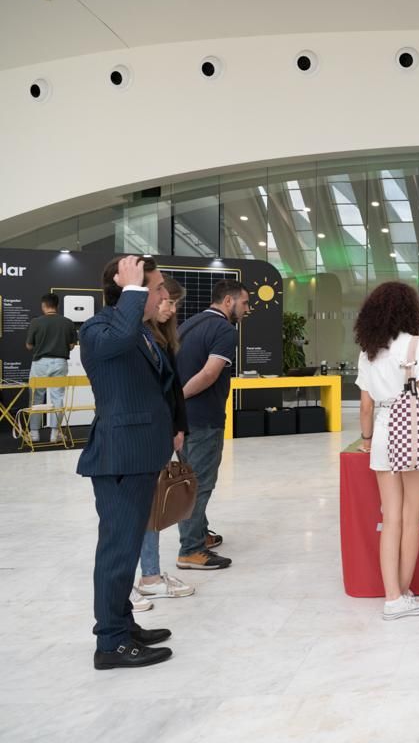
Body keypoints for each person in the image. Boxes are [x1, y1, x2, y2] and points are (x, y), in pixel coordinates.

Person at [77, 255, 175, 669]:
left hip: (140, 454)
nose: (161, 297)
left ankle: (123, 624)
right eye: (154, 289)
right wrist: (133, 289)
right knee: (117, 552)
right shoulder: (99, 329)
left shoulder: (142, 333)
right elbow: (116, 342)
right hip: (120, 456)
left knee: (127, 546)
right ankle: (110, 642)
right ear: (129, 288)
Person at [354, 281, 419, 619]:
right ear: (409, 310)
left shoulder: (368, 351)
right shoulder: (417, 346)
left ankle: (392, 597)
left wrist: (367, 440)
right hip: (413, 434)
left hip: (383, 434)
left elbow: (365, 406)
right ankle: (403, 594)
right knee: (412, 518)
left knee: (390, 519)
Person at [175, 279, 249, 570]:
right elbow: (208, 374)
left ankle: (199, 534)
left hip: (184, 419)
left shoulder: (189, 324)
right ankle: (190, 550)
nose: (246, 309)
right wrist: (180, 399)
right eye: (244, 302)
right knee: (199, 484)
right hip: (203, 417)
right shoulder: (224, 330)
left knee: (189, 480)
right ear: (228, 301)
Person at [134, 277, 195, 606]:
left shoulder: (162, 338)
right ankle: (146, 576)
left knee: (153, 506)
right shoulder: (138, 338)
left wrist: (178, 427)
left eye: (174, 303)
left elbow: (174, 392)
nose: (171, 309)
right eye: (166, 301)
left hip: (162, 434)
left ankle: (151, 574)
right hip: (141, 437)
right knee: (140, 510)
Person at [24, 293, 78, 443]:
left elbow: (28, 345)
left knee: (36, 397)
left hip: (40, 363)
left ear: (43, 306)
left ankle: (34, 434)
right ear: (57, 305)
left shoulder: (36, 322)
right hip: (60, 363)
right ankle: (55, 434)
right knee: (57, 398)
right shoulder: (67, 322)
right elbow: (72, 345)